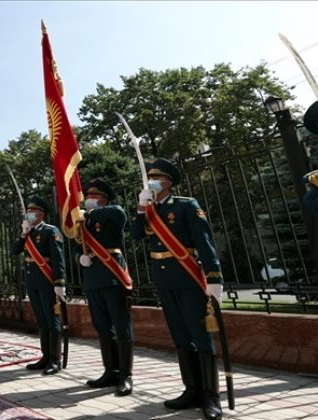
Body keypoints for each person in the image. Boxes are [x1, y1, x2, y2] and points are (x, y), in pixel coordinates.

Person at [130, 159, 224, 420]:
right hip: (164, 279)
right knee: (181, 335)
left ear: (168, 182)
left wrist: (214, 278)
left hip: (188, 276)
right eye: (150, 179)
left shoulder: (185, 205)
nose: (151, 182)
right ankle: (191, 390)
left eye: (156, 178)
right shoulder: (148, 209)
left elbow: (204, 243)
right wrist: (140, 207)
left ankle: (211, 397)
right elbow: (136, 235)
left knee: (200, 334)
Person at [78, 179, 134, 396]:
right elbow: (77, 245)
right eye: (88, 196)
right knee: (102, 327)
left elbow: (120, 213)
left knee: (121, 327)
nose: (89, 199)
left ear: (104, 199)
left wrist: (88, 213)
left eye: (94, 197)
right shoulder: (84, 223)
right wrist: (79, 257)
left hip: (113, 277)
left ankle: (125, 376)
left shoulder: (112, 214)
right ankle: (110, 371)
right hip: (93, 279)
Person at [11, 196, 66, 375]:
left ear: (41, 214)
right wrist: (23, 234)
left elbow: (58, 259)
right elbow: (15, 251)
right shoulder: (28, 232)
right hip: (33, 281)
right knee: (41, 320)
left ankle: (55, 359)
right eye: (28, 212)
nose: (28, 214)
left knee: (52, 319)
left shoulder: (51, 231)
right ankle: (45, 356)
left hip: (47, 280)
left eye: (32, 212)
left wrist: (60, 283)